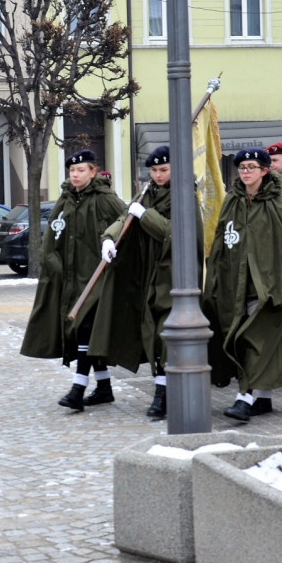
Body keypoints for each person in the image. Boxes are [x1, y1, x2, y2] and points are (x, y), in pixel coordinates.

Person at [202, 148, 282, 422]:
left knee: (253, 339)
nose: (245, 171)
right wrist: (216, 280)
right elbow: (222, 241)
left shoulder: (275, 203)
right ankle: (263, 398)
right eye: (242, 167)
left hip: (269, 287)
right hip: (236, 284)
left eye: (252, 167)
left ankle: (244, 397)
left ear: (264, 171)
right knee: (249, 341)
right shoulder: (232, 201)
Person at [20, 149, 127, 411]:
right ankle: (103, 387)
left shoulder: (106, 199)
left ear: (93, 171)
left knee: (85, 330)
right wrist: (53, 265)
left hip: (96, 278)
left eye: (81, 170)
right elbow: (53, 235)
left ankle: (78, 389)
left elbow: (125, 225)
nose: (75, 175)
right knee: (83, 332)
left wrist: (111, 248)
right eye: (72, 171)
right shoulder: (66, 199)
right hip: (69, 280)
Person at [90, 145, 172, 419]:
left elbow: (169, 232)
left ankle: (165, 394)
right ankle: (161, 391)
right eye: (154, 170)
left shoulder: (184, 195)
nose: (158, 175)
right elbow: (123, 218)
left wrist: (145, 215)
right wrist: (109, 238)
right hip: (146, 273)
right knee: (151, 333)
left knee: (163, 336)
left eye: (164, 170)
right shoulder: (147, 193)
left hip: (170, 274)